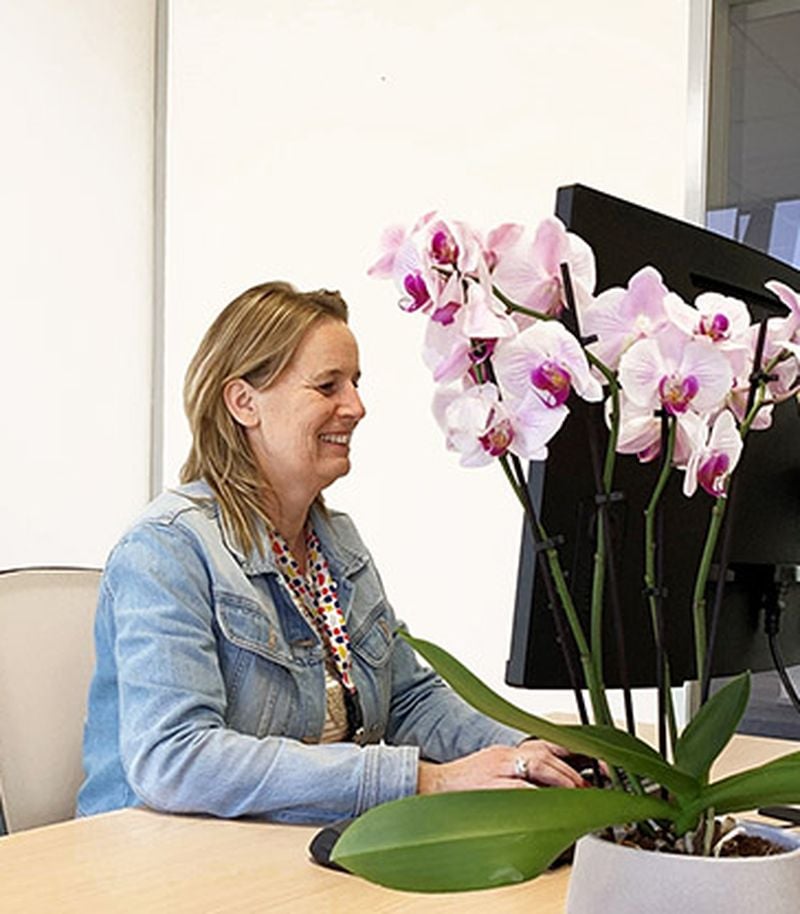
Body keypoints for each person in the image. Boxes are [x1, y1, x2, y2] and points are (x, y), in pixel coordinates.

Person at [78, 281, 586, 825]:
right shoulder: (167, 548)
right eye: (328, 386)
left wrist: (530, 753)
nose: (357, 406)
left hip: (280, 844)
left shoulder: (334, 542)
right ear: (244, 402)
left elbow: (407, 699)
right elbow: (175, 758)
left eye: (355, 383)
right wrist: (422, 780)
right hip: (155, 862)